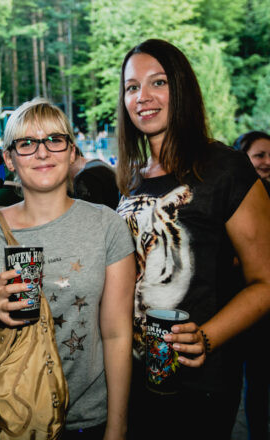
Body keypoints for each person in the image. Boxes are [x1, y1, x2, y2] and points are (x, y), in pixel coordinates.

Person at [115, 39, 270, 440]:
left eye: (158, 83)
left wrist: (207, 337)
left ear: (181, 88)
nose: (142, 97)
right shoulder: (131, 179)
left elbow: (265, 281)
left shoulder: (226, 169)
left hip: (199, 383)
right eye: (132, 87)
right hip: (133, 376)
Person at [0, 98, 136, 439]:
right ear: (8, 159)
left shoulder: (106, 225)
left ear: (72, 152)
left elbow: (117, 334)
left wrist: (117, 427)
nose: (42, 152)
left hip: (86, 418)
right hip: (9, 414)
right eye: (26, 143)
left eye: (54, 139)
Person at [233, 130, 270, 440]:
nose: (268, 162)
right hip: (251, 308)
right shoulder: (233, 200)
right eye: (260, 155)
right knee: (256, 378)